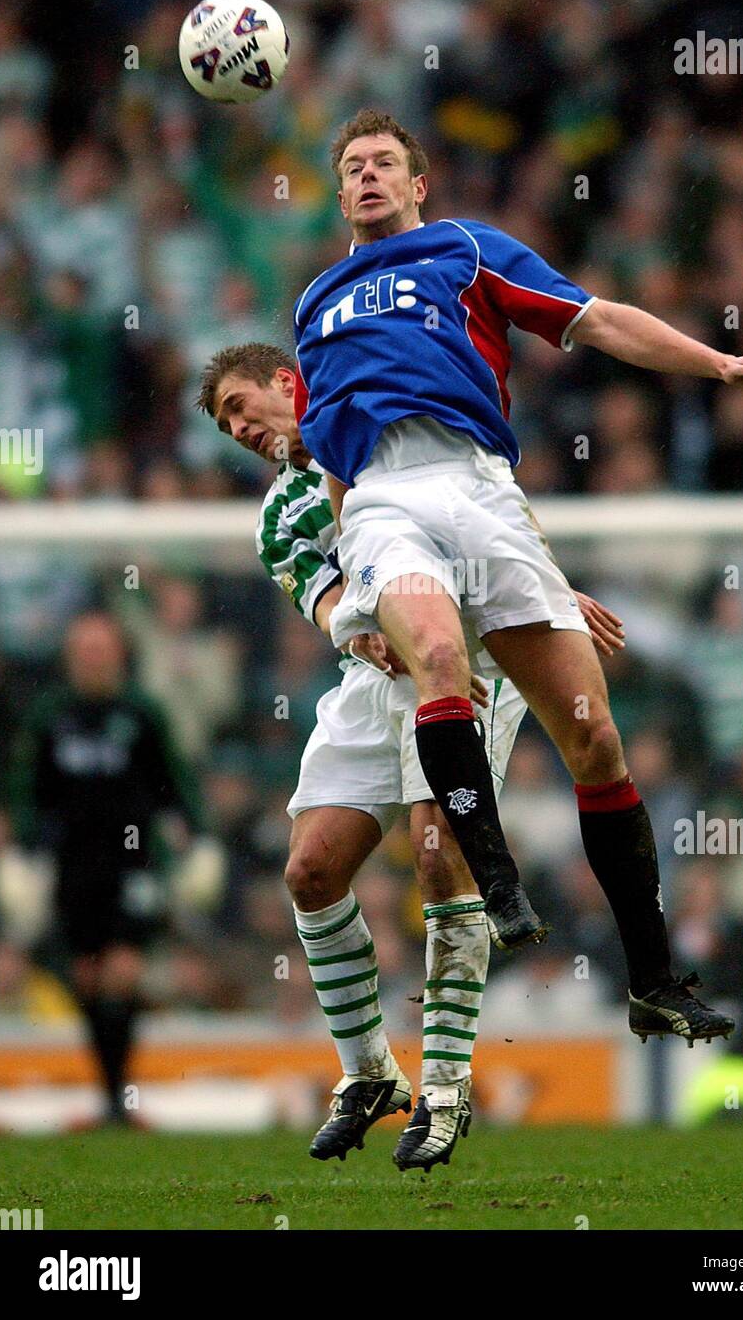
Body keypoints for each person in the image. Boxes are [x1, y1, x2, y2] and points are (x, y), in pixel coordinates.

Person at [290, 107, 743, 1041]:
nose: (367, 176)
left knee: (596, 737)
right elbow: (329, 458)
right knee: (442, 658)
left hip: (482, 488)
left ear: (418, 184)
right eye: (353, 166)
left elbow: (596, 319)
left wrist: (718, 365)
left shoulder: (467, 250)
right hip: (381, 500)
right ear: (338, 192)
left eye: (384, 163)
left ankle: (653, 976)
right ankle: (499, 884)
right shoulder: (315, 304)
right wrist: (352, 575)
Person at [197, 341, 624, 1169]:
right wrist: (362, 633)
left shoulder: (395, 437)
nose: (239, 430)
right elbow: (325, 606)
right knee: (310, 871)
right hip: (375, 673)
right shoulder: (281, 517)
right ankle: (367, 1074)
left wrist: (544, 589)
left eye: (241, 408)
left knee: (438, 855)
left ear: (288, 382)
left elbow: (483, 517)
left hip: (463, 665)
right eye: (225, 426)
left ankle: (445, 1086)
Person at [10, 612, 201, 1125]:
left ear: (119, 653)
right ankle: (111, 1096)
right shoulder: (50, 715)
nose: (93, 657)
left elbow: (174, 781)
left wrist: (193, 831)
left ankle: (119, 1097)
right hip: (73, 864)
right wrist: (23, 842)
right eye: (84, 648)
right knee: (87, 976)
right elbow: (29, 788)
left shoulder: (141, 713)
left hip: (133, 861)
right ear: (71, 656)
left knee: (122, 970)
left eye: (101, 647)